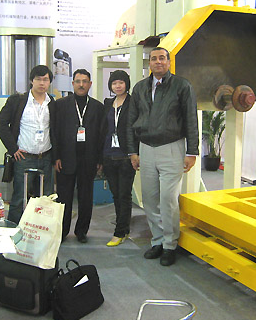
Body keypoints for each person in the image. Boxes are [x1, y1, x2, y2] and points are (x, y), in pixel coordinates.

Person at [127, 47, 199, 267]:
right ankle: (157, 240)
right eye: (154, 59)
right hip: (146, 149)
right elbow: (131, 121)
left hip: (172, 148)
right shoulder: (140, 88)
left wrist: (192, 151)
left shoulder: (182, 86)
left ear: (168, 62)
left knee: (168, 199)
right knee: (149, 199)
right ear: (149, 63)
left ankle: (170, 244)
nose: (158, 62)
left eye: (162, 58)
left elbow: (191, 119)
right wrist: (133, 151)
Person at [0, 65, 55, 224]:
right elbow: (1, 123)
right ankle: (14, 230)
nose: (42, 83)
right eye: (38, 79)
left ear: (49, 82)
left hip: (46, 157)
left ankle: (41, 231)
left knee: (46, 199)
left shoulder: (52, 102)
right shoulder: (18, 101)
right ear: (31, 81)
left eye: (45, 79)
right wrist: (13, 148)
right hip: (24, 158)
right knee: (19, 199)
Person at [53, 69, 104, 243]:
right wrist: (56, 157)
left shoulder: (98, 107)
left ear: (90, 84)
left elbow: (102, 135)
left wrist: (99, 160)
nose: (81, 85)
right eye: (78, 81)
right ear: (72, 83)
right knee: (63, 198)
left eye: (84, 81)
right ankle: (62, 231)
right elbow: (55, 132)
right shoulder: (61, 105)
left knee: (85, 198)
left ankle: (82, 231)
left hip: (89, 159)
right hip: (65, 158)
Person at [100, 70, 136, 247]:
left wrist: (135, 152)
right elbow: (103, 129)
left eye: (121, 82)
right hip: (108, 155)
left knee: (124, 195)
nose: (118, 86)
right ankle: (124, 228)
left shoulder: (133, 103)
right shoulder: (108, 103)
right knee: (115, 194)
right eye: (114, 83)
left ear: (126, 84)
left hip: (126, 156)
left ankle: (119, 232)